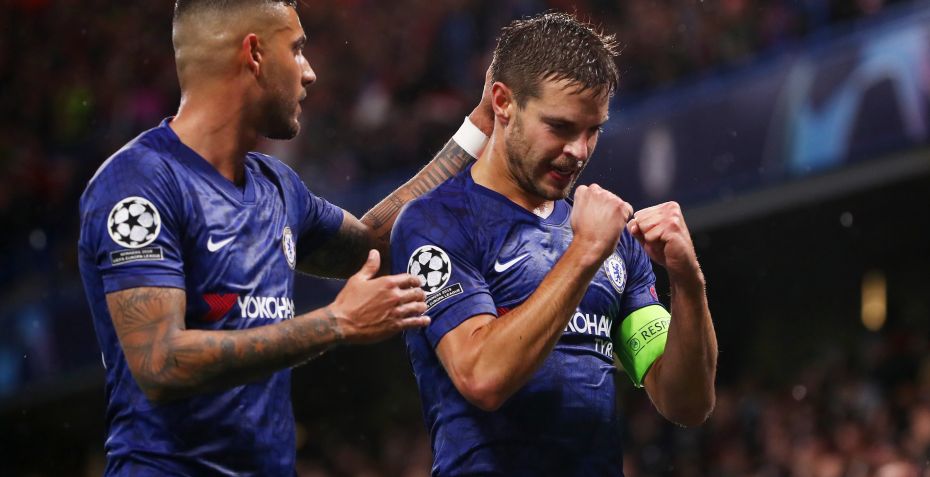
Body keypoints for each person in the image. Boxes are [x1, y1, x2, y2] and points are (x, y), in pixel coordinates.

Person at [77, 1, 493, 475]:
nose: (309, 72)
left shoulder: (277, 186)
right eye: (296, 49)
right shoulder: (139, 183)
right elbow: (160, 363)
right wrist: (335, 323)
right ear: (254, 54)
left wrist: (479, 128)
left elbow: (374, 244)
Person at [391, 12, 718, 475]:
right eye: (560, 127)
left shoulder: (612, 239)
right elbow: (482, 376)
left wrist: (688, 281)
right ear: (503, 102)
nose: (579, 151)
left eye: (593, 130)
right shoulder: (436, 222)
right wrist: (584, 252)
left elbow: (685, 403)